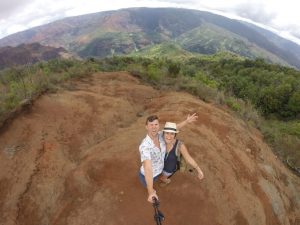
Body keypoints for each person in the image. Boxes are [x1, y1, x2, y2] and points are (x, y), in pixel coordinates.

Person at [139, 114, 198, 203]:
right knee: (148, 184)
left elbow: (173, 129)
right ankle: (152, 188)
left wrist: (186, 122)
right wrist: (151, 192)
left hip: (159, 171)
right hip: (147, 176)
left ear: (159, 126)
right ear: (146, 127)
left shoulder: (160, 135)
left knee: (158, 177)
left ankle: (157, 181)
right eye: (151, 125)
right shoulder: (144, 146)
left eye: (156, 124)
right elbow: (148, 168)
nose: (154, 127)